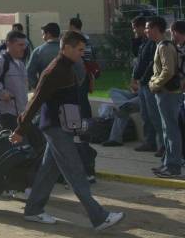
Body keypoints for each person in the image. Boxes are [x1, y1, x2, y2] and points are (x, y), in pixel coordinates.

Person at [11, 31, 124, 231]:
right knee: (75, 172)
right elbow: (36, 100)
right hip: (56, 128)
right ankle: (99, 218)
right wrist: (21, 129)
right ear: (67, 48)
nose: (82, 53)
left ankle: (33, 210)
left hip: (61, 126)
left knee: (49, 170)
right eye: (79, 50)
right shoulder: (54, 71)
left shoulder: (67, 66)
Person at [102, 16, 149, 147]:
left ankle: (115, 139)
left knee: (122, 110)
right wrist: (134, 83)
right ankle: (123, 105)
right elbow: (137, 66)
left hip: (146, 93)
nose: (133, 31)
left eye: (134, 28)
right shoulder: (139, 44)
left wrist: (139, 85)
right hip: (136, 91)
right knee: (113, 91)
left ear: (142, 27)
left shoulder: (152, 47)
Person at [147, 16, 183, 178]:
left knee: (171, 130)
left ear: (155, 29)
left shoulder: (165, 46)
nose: (146, 31)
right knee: (166, 130)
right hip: (166, 93)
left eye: (148, 28)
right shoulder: (162, 45)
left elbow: (168, 71)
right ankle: (167, 164)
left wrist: (155, 84)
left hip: (168, 93)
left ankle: (173, 166)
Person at [131, 17, 164, 155]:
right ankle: (149, 142)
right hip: (143, 85)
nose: (145, 30)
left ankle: (163, 145)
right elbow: (138, 61)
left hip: (150, 84)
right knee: (146, 115)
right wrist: (135, 78)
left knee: (155, 116)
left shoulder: (155, 44)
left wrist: (142, 80)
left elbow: (151, 65)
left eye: (147, 28)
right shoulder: (144, 42)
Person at [26, 23, 61, 90]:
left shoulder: (38, 51)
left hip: (45, 91)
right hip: (67, 91)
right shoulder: (68, 49)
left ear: (48, 34)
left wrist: (37, 87)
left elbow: (29, 73)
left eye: (43, 34)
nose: (42, 37)